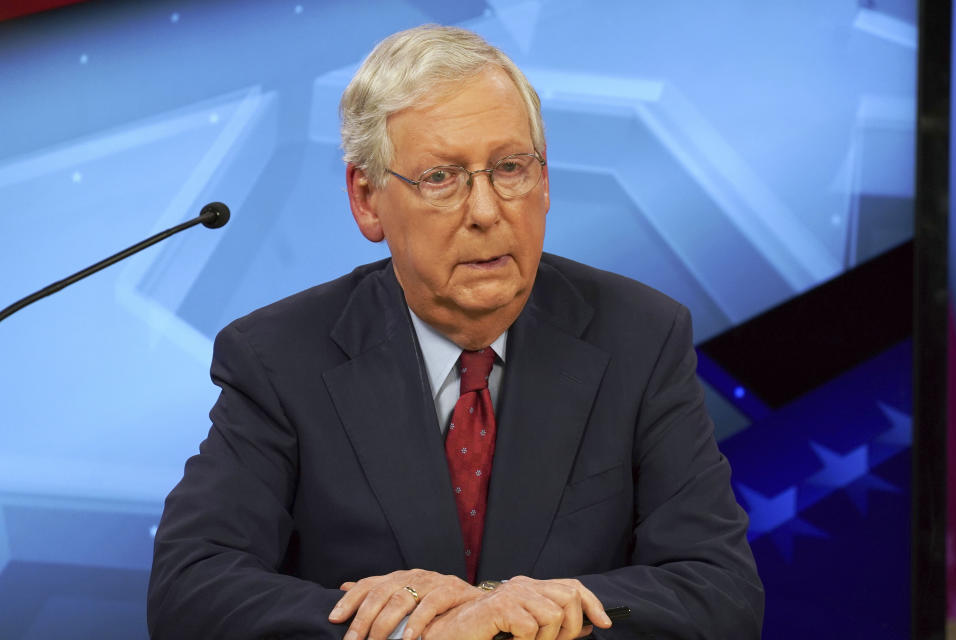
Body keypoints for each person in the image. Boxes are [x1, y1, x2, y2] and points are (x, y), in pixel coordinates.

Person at [147, 25, 763, 640]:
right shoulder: (278, 359)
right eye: (442, 177)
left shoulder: (641, 335)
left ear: (544, 182)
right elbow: (191, 589)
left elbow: (720, 589)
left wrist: (524, 609)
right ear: (366, 199)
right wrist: (405, 627)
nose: (488, 211)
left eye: (510, 168)